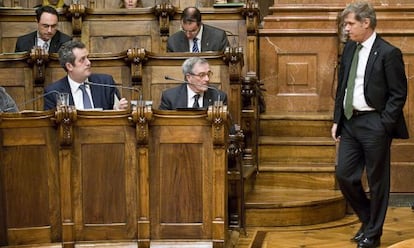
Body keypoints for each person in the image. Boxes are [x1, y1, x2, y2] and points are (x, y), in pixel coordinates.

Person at [331, 2, 408, 248]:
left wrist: (384, 124)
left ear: (366, 23)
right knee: (344, 174)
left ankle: (373, 235)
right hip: (350, 122)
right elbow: (343, 86)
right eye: (345, 24)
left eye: (350, 23)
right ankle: (368, 221)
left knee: (377, 181)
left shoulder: (388, 52)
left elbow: (398, 93)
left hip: (375, 123)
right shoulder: (351, 50)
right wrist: (337, 120)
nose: (346, 29)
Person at [44, 40, 129, 110]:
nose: (88, 63)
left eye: (87, 57)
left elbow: (116, 112)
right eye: (82, 60)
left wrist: (118, 109)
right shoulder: (53, 92)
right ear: (69, 66)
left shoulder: (105, 83)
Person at [159, 57, 227, 110]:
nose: (207, 79)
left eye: (208, 74)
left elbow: (228, 126)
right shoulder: (170, 97)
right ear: (189, 77)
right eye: (201, 75)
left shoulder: (218, 96)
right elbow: (161, 124)